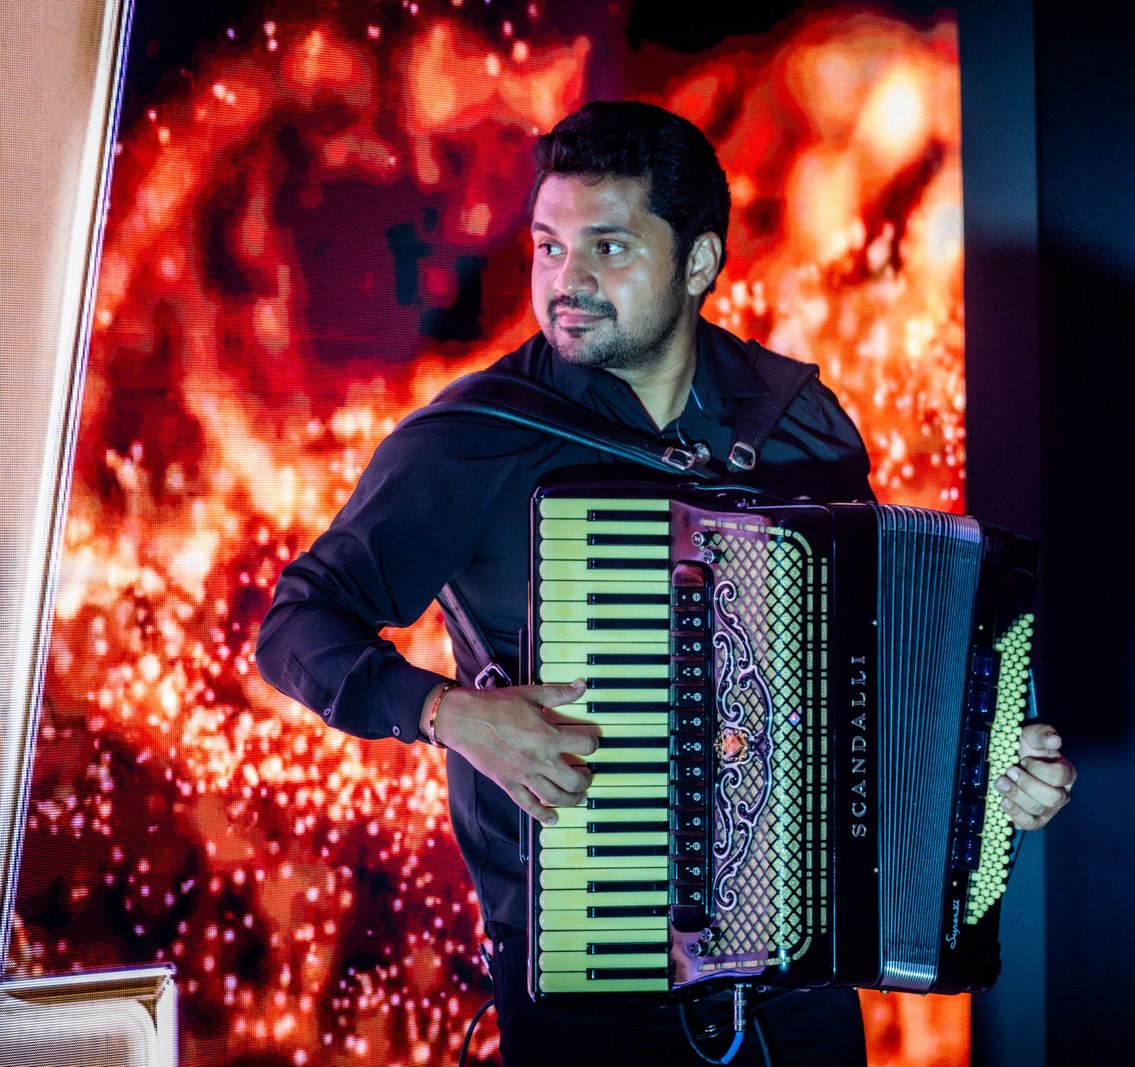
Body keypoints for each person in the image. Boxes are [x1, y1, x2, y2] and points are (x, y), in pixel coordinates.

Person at [256, 100, 1076, 1065]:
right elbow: (296, 623)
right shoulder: (474, 439)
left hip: (802, 992)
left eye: (607, 247)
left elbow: (876, 672)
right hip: (592, 1002)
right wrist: (447, 713)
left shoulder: (802, 424)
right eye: (549, 247)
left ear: (698, 262)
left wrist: (989, 775)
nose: (567, 281)